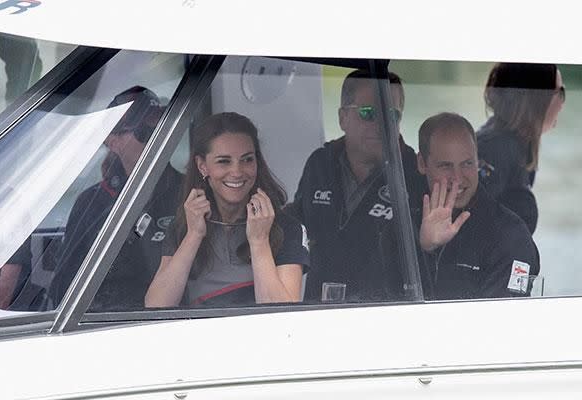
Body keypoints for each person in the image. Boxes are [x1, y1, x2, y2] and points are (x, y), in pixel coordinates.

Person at [145, 112, 309, 307]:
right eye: (224, 161)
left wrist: (259, 242)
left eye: (247, 159)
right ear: (202, 166)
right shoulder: (185, 225)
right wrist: (194, 235)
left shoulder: (286, 228)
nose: (237, 172)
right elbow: (157, 305)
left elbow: (282, 316)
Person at [288, 69, 420, 302]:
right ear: (342, 118)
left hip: (386, 318)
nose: (381, 125)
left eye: (391, 115)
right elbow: (296, 230)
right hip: (318, 315)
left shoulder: (416, 173)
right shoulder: (319, 164)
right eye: (368, 113)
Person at [48, 86, 183, 311]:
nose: (155, 138)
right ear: (113, 141)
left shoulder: (189, 193)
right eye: (143, 131)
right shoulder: (91, 203)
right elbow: (64, 287)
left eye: (159, 128)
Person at [417, 112, 540, 300]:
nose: (457, 178)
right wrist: (425, 249)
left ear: (478, 161)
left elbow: (503, 320)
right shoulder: (402, 218)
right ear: (422, 163)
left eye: (467, 164)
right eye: (445, 166)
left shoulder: (511, 237)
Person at [477, 63, 565, 234]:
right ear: (536, 100)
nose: (562, 103)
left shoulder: (515, 146)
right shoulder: (494, 150)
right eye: (560, 93)